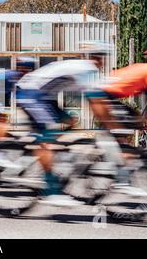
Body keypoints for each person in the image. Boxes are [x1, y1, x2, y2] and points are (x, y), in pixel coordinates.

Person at [15, 46, 108, 207]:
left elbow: (95, 99)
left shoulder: (84, 68)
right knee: (48, 137)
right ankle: (51, 190)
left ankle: (37, 148)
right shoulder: (86, 68)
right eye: (98, 57)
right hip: (31, 93)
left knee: (71, 121)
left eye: (101, 58)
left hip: (44, 97)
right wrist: (108, 124)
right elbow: (95, 101)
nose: (100, 61)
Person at [87, 47, 147, 197]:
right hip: (104, 96)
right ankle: (122, 181)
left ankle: (114, 153)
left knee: (138, 122)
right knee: (124, 136)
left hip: (105, 95)